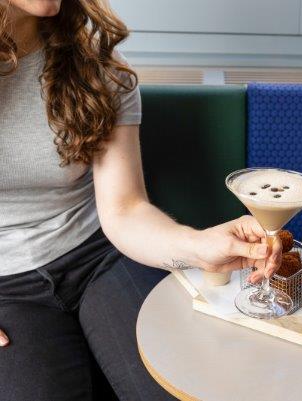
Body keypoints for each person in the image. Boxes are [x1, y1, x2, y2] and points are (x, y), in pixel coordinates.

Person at [0, 1, 280, 400]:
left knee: (176, 387)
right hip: (7, 284)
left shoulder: (94, 64)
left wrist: (199, 246)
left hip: (100, 254)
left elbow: (124, 210)